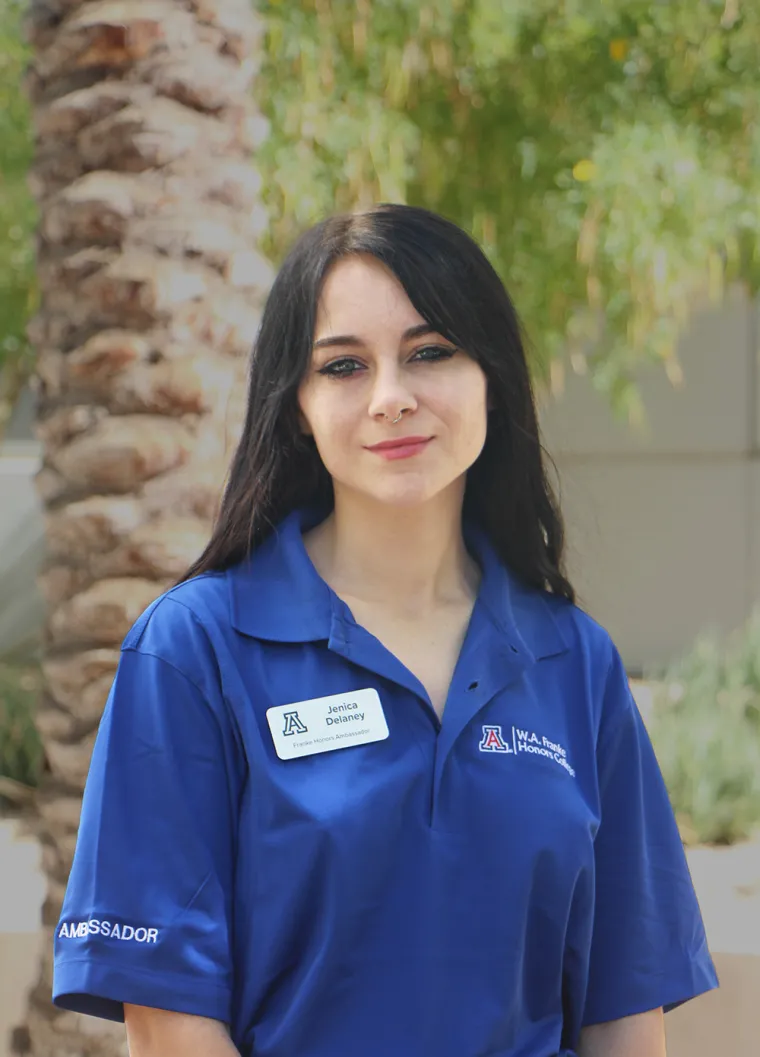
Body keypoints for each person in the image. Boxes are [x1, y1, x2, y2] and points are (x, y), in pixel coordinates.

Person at [52, 204, 718, 1057]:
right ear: (294, 404)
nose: (391, 399)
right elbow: (169, 1019)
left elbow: (623, 1007)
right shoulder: (194, 650)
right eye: (342, 366)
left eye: (430, 352)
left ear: (492, 378)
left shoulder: (573, 660)